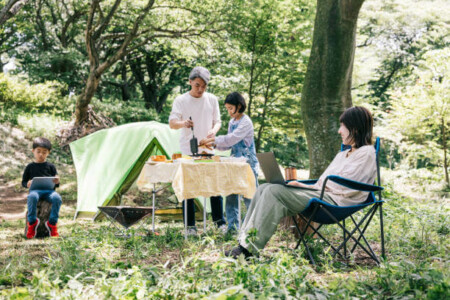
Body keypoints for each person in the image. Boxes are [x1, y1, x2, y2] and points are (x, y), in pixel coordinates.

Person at [225, 106, 377, 258]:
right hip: (323, 194)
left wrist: (309, 187)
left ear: (355, 129)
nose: (339, 131)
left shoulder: (366, 153)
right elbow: (325, 181)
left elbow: (346, 186)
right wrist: (303, 185)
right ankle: (243, 242)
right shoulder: (343, 154)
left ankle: (248, 250)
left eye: (343, 126)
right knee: (265, 187)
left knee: (273, 192)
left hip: (337, 202)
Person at [168, 66, 226, 235]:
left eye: (204, 86)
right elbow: (172, 123)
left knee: (214, 187)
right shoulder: (181, 100)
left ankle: (219, 223)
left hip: (208, 149)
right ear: (190, 82)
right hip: (188, 149)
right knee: (189, 188)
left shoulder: (212, 99)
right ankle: (190, 226)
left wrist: (213, 132)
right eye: (197, 85)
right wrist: (183, 123)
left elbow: (218, 121)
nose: (200, 89)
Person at [200, 92, 259, 233]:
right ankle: (232, 228)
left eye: (231, 108)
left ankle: (252, 229)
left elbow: (232, 138)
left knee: (250, 197)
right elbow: (227, 145)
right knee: (231, 196)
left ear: (239, 106)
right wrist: (213, 145)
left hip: (247, 162)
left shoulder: (246, 122)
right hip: (234, 162)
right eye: (227, 108)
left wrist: (213, 140)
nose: (229, 111)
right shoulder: (232, 122)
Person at [22, 137, 62, 239]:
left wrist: (57, 181)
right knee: (32, 197)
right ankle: (32, 222)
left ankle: (52, 223)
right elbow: (23, 182)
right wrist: (28, 184)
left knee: (57, 198)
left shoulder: (51, 166)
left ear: (48, 153)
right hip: (35, 191)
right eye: (38, 151)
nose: (41, 154)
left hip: (49, 191)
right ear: (33, 151)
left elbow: (55, 183)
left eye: (44, 152)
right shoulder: (30, 167)